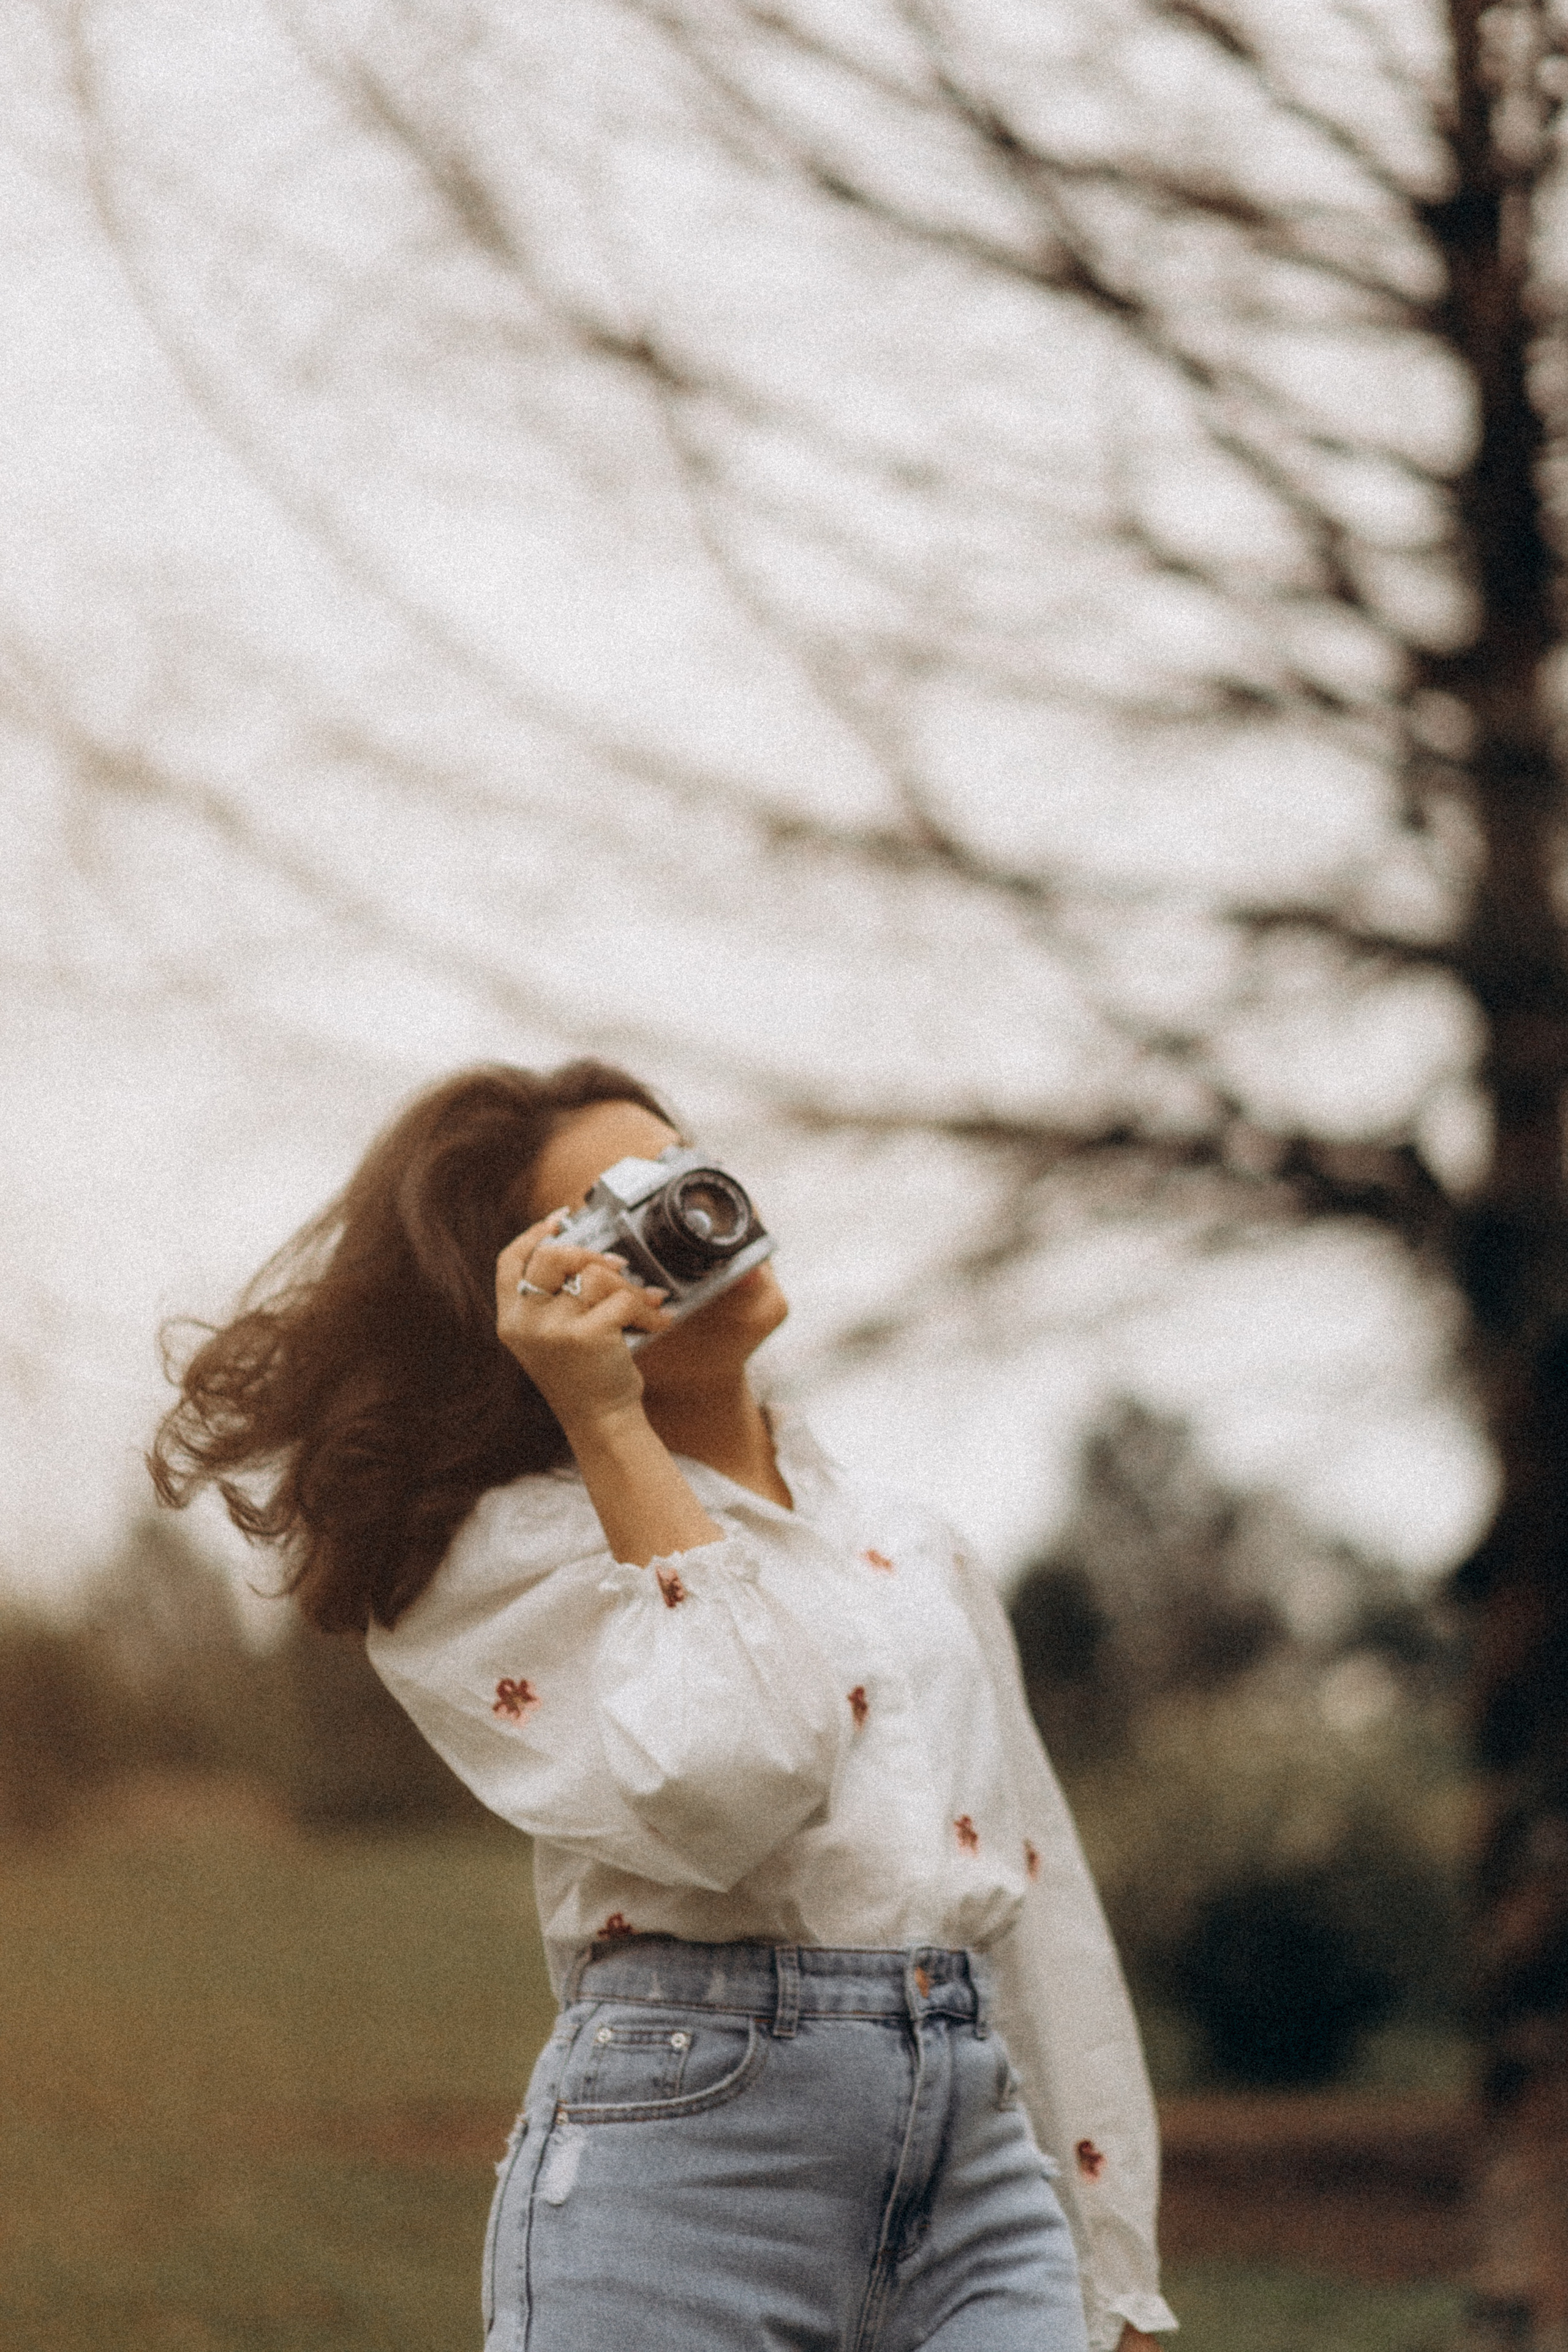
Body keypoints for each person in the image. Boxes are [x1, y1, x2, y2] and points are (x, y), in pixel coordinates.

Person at [151, 1060, 1177, 2352]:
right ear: (519, 1301)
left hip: (977, 2170)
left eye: (676, 1168)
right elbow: (733, 1784)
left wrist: (1110, 2258)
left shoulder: (912, 1547)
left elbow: (1036, 1893)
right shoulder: (498, 1557)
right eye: (610, 1215)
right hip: (692, 2158)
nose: (684, 1216)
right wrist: (604, 1417)